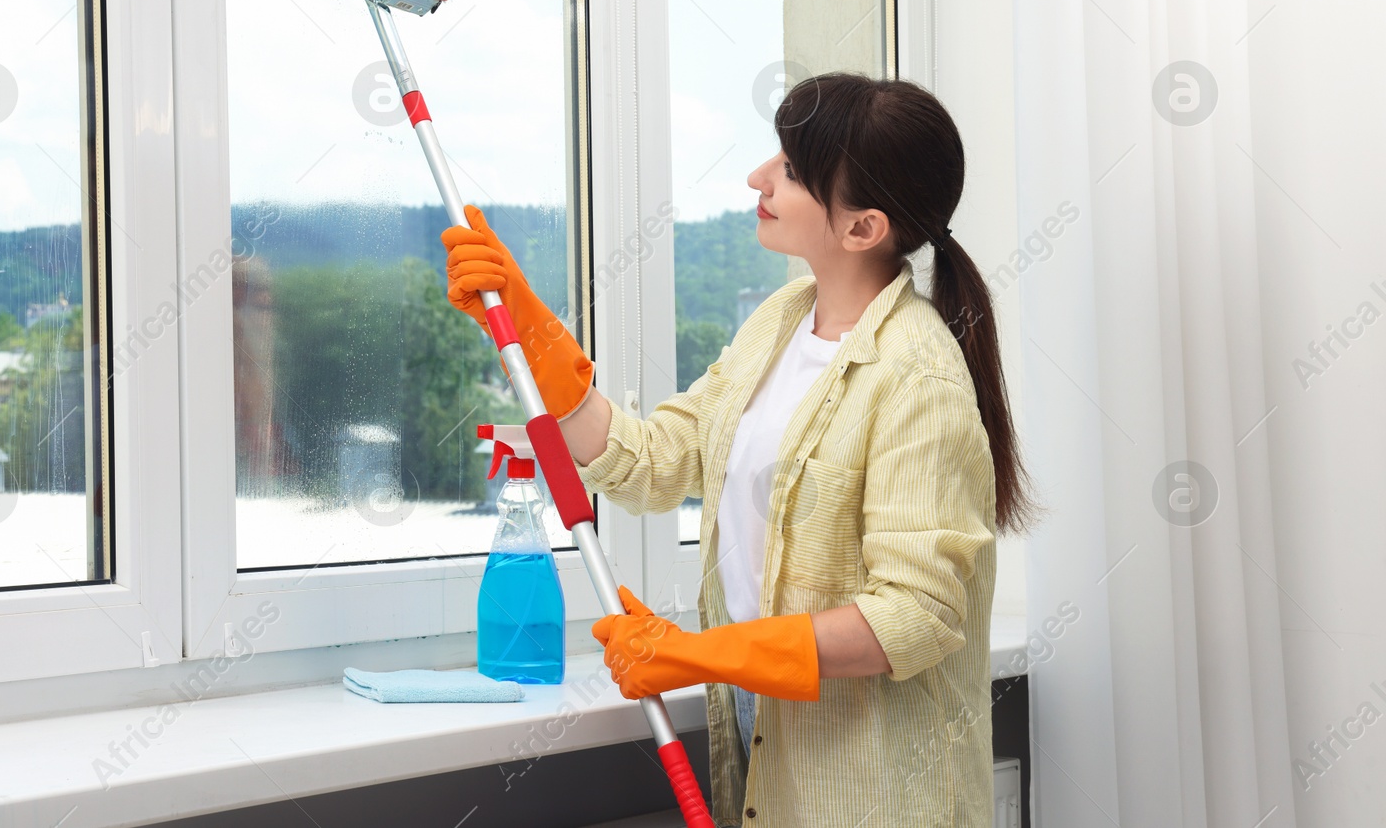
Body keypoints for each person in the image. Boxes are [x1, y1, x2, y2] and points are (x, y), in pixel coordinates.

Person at [441, 72, 1038, 827]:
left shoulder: (917, 377)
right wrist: (528, 324)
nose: (760, 177)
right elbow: (653, 460)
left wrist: (695, 655)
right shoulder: (782, 321)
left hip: (878, 798)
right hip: (768, 772)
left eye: (790, 171)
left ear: (863, 228)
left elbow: (910, 617)